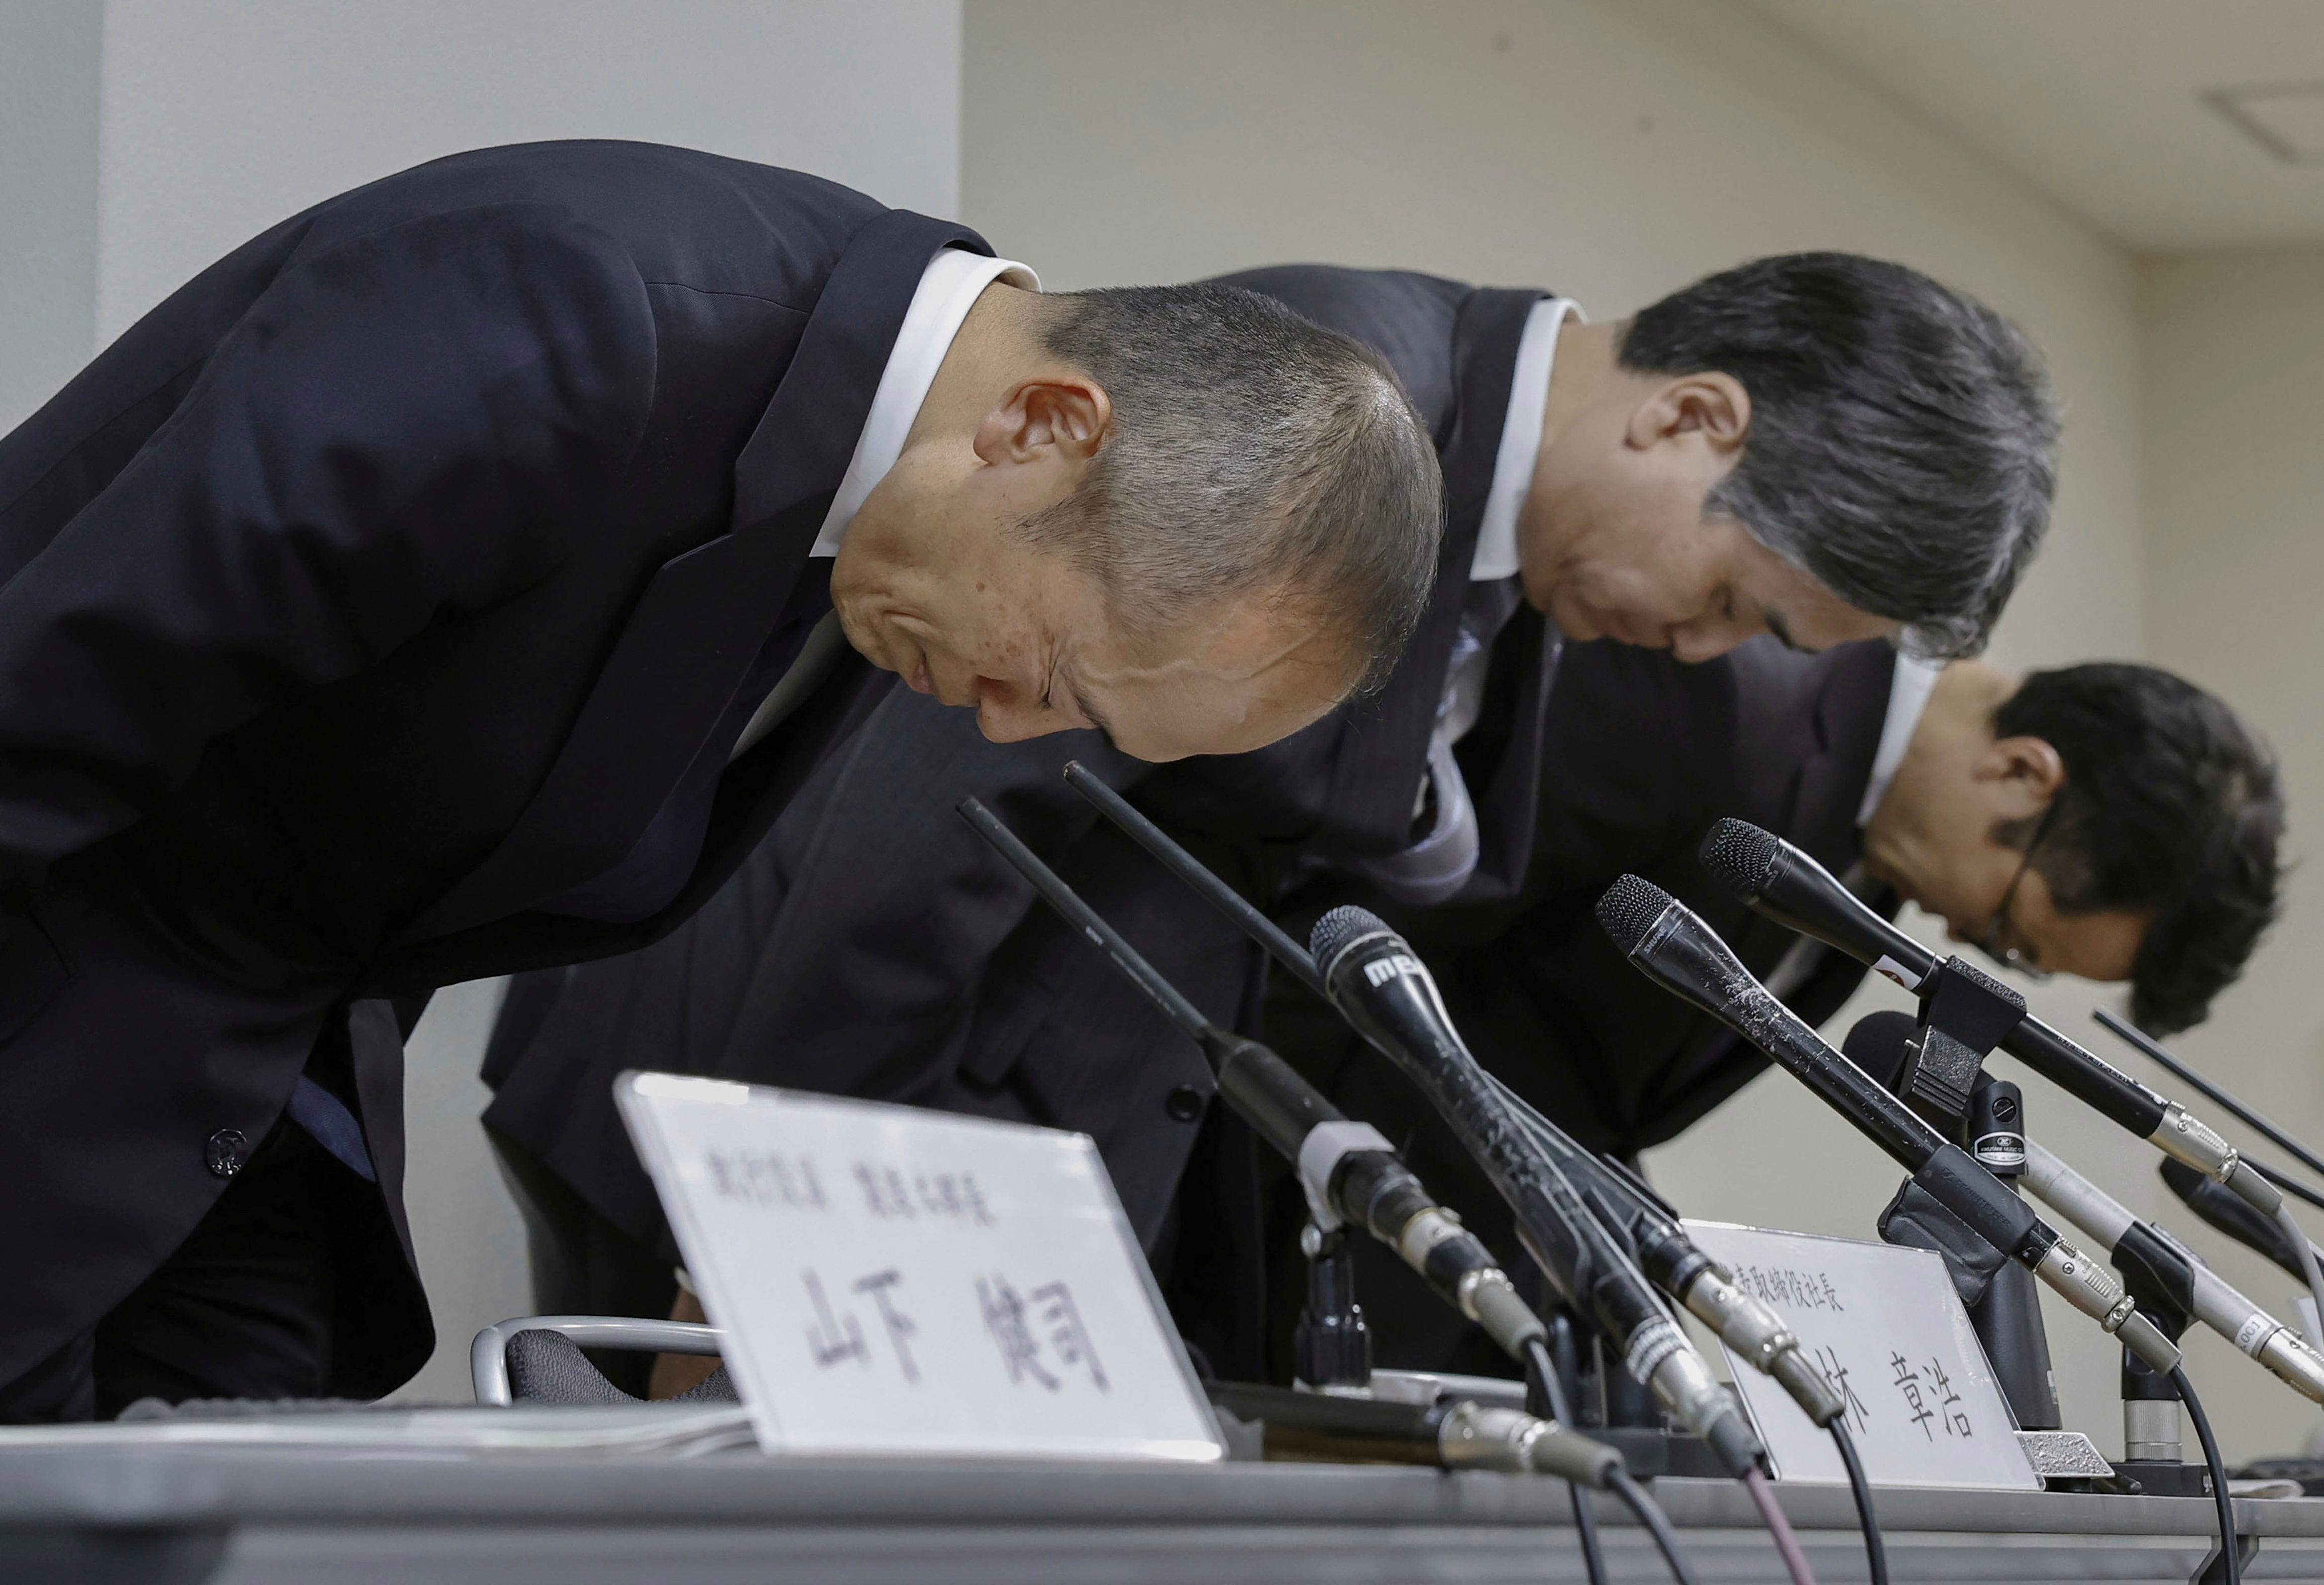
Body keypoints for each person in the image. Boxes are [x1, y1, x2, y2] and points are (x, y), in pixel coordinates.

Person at [0, 139, 1450, 1422]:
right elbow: (46, 704)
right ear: (1042, 430)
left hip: (233, 1141)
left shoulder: (862, 520)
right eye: (1057, 675)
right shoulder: (579, 305)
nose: (1011, 731)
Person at [482, 252, 2063, 1386]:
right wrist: (774, 1232)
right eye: (1730, 601)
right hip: (764, 1089)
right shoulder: (1329, 401)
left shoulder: (1511, 564)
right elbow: (930, 807)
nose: (1703, 654)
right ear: (1688, 421)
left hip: (976, 1140)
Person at [1278, 644, 2285, 1379]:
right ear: (2020, 769)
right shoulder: (1717, 688)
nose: (1975, 942)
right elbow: (1386, 928)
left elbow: (1584, 1087)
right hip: (1300, 1207)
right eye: (2006, 924)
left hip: (1482, 1296)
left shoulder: (1875, 880)